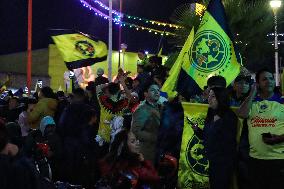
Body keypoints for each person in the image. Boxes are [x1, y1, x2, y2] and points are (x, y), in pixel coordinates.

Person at [237, 68, 284, 189]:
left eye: (271, 78)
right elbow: (241, 114)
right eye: (264, 79)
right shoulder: (252, 102)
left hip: (279, 160)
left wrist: (278, 138)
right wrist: (253, 93)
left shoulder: (282, 101)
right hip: (255, 160)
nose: (269, 81)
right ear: (257, 84)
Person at [192, 87, 238, 189]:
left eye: (213, 96)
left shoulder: (229, 116)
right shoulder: (211, 113)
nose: (209, 99)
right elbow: (206, 136)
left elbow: (227, 142)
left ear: (221, 98)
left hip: (223, 162)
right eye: (209, 96)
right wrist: (197, 130)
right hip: (213, 160)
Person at [131, 83, 161, 164]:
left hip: (157, 152)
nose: (157, 92)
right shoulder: (142, 109)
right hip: (147, 153)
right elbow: (136, 131)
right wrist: (156, 137)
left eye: (158, 90)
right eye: (152, 90)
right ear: (145, 94)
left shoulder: (161, 107)